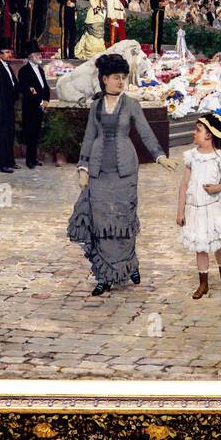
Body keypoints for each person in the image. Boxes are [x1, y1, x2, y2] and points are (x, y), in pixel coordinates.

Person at [66, 52, 177, 296]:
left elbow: (146, 133)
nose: (120, 82)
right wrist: (83, 167)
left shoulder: (131, 105)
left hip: (125, 171)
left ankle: (129, 264)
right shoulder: (95, 106)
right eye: (116, 77)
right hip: (98, 172)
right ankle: (104, 275)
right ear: (104, 79)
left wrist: (160, 156)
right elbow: (89, 137)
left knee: (123, 221)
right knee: (101, 223)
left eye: (123, 77)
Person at [177, 112, 221, 299]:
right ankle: (203, 283)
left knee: (218, 244)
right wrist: (180, 211)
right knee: (201, 246)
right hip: (195, 208)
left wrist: (219, 187)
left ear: (209, 135)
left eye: (198, 130)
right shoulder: (192, 157)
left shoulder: (220, 157)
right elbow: (184, 185)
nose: (193, 133)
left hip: (213, 207)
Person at [17, 42, 50, 168]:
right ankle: (29, 160)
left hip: (40, 107)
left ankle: (34, 158)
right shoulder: (24, 71)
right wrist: (40, 101)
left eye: (39, 53)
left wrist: (46, 100)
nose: (39, 56)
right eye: (37, 54)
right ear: (30, 56)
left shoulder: (40, 70)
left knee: (36, 134)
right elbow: (27, 90)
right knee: (30, 134)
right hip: (30, 108)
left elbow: (45, 87)